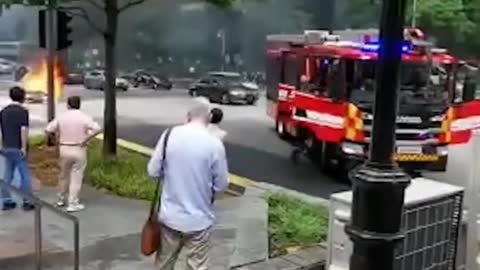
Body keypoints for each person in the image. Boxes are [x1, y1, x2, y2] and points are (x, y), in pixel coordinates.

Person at [147, 100, 229, 270]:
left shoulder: (169, 135)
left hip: (169, 217)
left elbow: (153, 171)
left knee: (164, 264)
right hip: (199, 220)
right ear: (209, 117)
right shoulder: (214, 145)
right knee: (196, 267)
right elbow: (221, 185)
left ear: (188, 115)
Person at [45, 96, 101, 212]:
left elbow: (48, 129)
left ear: (68, 105)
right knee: (76, 176)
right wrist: (86, 139)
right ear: (79, 105)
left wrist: (55, 141)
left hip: (64, 148)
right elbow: (97, 128)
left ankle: (60, 199)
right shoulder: (84, 117)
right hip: (79, 148)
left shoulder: (62, 117)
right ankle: (73, 203)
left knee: (63, 175)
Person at [0, 86, 34, 211]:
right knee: (24, 174)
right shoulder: (22, 111)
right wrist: (24, 147)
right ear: (23, 97)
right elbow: (23, 130)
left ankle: (6, 200)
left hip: (6, 146)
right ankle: (27, 200)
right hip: (18, 147)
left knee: (7, 174)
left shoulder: (3, 111)